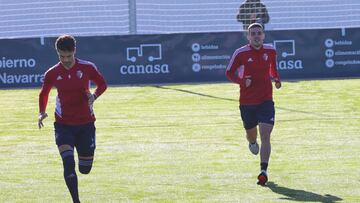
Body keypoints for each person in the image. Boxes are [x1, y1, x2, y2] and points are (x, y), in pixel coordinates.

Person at [38, 35, 107, 202]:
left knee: (85, 169)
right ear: (57, 53)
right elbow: (44, 93)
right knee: (68, 164)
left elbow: (102, 84)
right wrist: (41, 112)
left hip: (86, 124)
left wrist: (94, 96)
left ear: (74, 51)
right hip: (63, 125)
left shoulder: (87, 67)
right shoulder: (52, 73)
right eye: (62, 56)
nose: (65, 60)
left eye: (69, 56)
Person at [225, 23, 281, 186]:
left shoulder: (270, 50)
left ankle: (263, 171)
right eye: (253, 33)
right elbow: (229, 72)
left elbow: (273, 68)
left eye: (259, 33)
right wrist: (242, 81)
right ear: (248, 37)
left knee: (266, 135)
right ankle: (251, 142)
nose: (256, 36)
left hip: (266, 100)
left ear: (263, 35)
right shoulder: (240, 53)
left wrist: (276, 79)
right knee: (252, 135)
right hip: (247, 102)